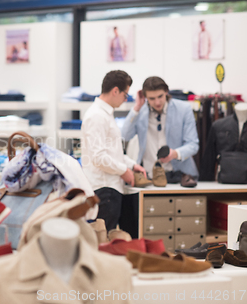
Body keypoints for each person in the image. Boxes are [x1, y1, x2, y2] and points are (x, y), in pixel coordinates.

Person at [81, 70, 146, 238]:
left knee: (109, 238)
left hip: (109, 187)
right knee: (102, 240)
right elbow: (98, 157)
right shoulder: (96, 116)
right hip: (104, 189)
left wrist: (132, 165)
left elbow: (112, 152)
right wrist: (123, 171)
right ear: (115, 91)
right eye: (125, 95)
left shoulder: (105, 115)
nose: (125, 99)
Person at [121, 76, 199, 181]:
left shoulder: (183, 109)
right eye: (152, 98)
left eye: (160, 96)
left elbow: (193, 144)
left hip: (179, 175)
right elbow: (125, 135)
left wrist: (175, 154)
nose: (157, 102)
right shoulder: (140, 112)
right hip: (149, 176)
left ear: (166, 91)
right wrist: (136, 108)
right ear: (145, 97)